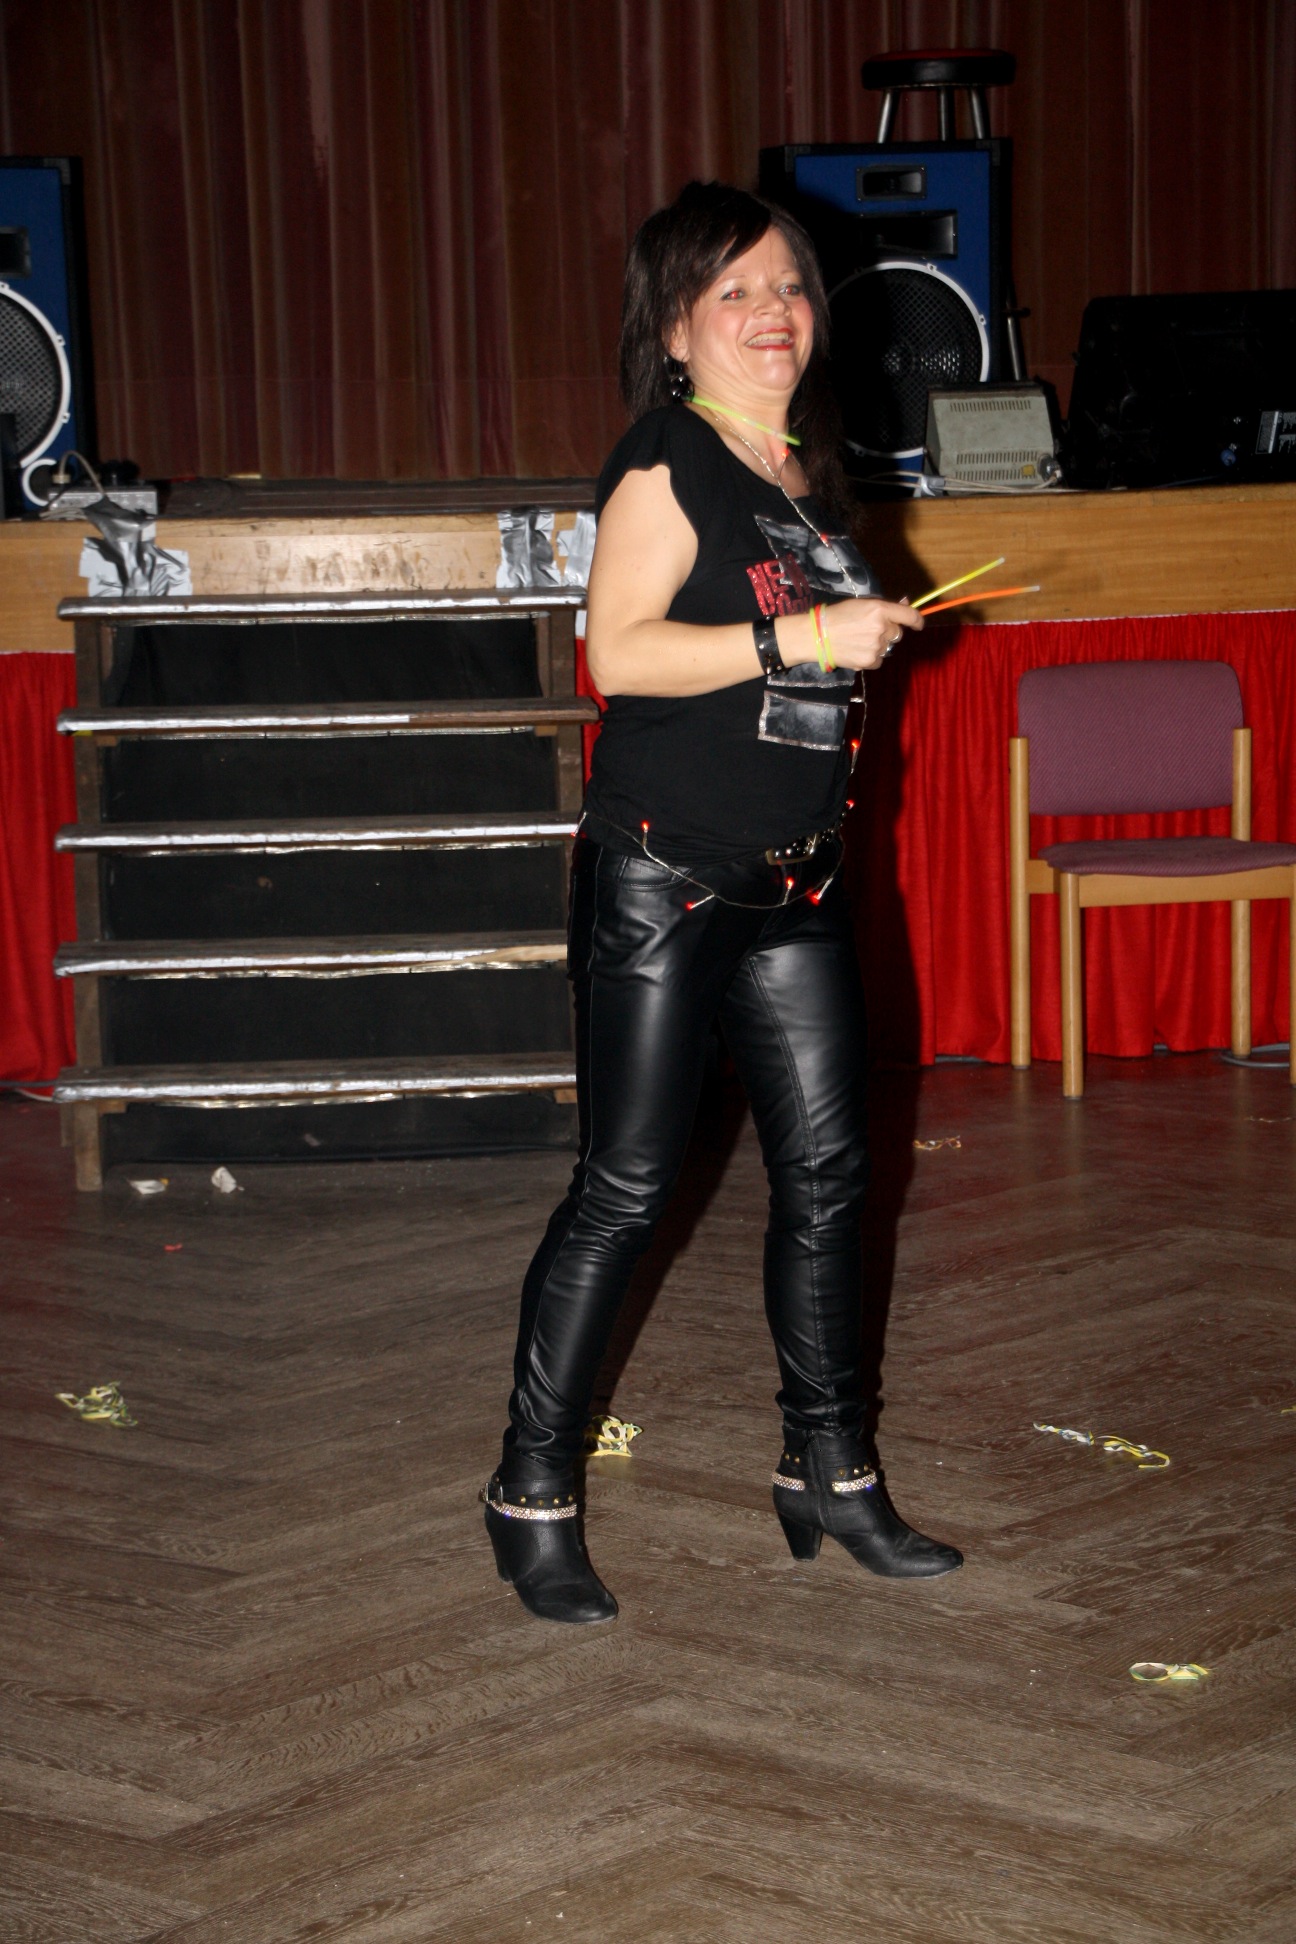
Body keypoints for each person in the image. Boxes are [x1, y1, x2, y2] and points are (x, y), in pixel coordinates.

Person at [482, 179, 962, 1624]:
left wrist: (845, 635)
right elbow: (620, 655)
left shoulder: (808, 469)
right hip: (666, 878)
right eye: (735, 290)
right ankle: (530, 1489)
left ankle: (831, 1470)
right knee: (626, 1189)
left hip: (796, 879)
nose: (774, 312)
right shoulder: (665, 457)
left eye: (791, 286)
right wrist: (802, 634)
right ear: (676, 326)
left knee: (830, 1180)